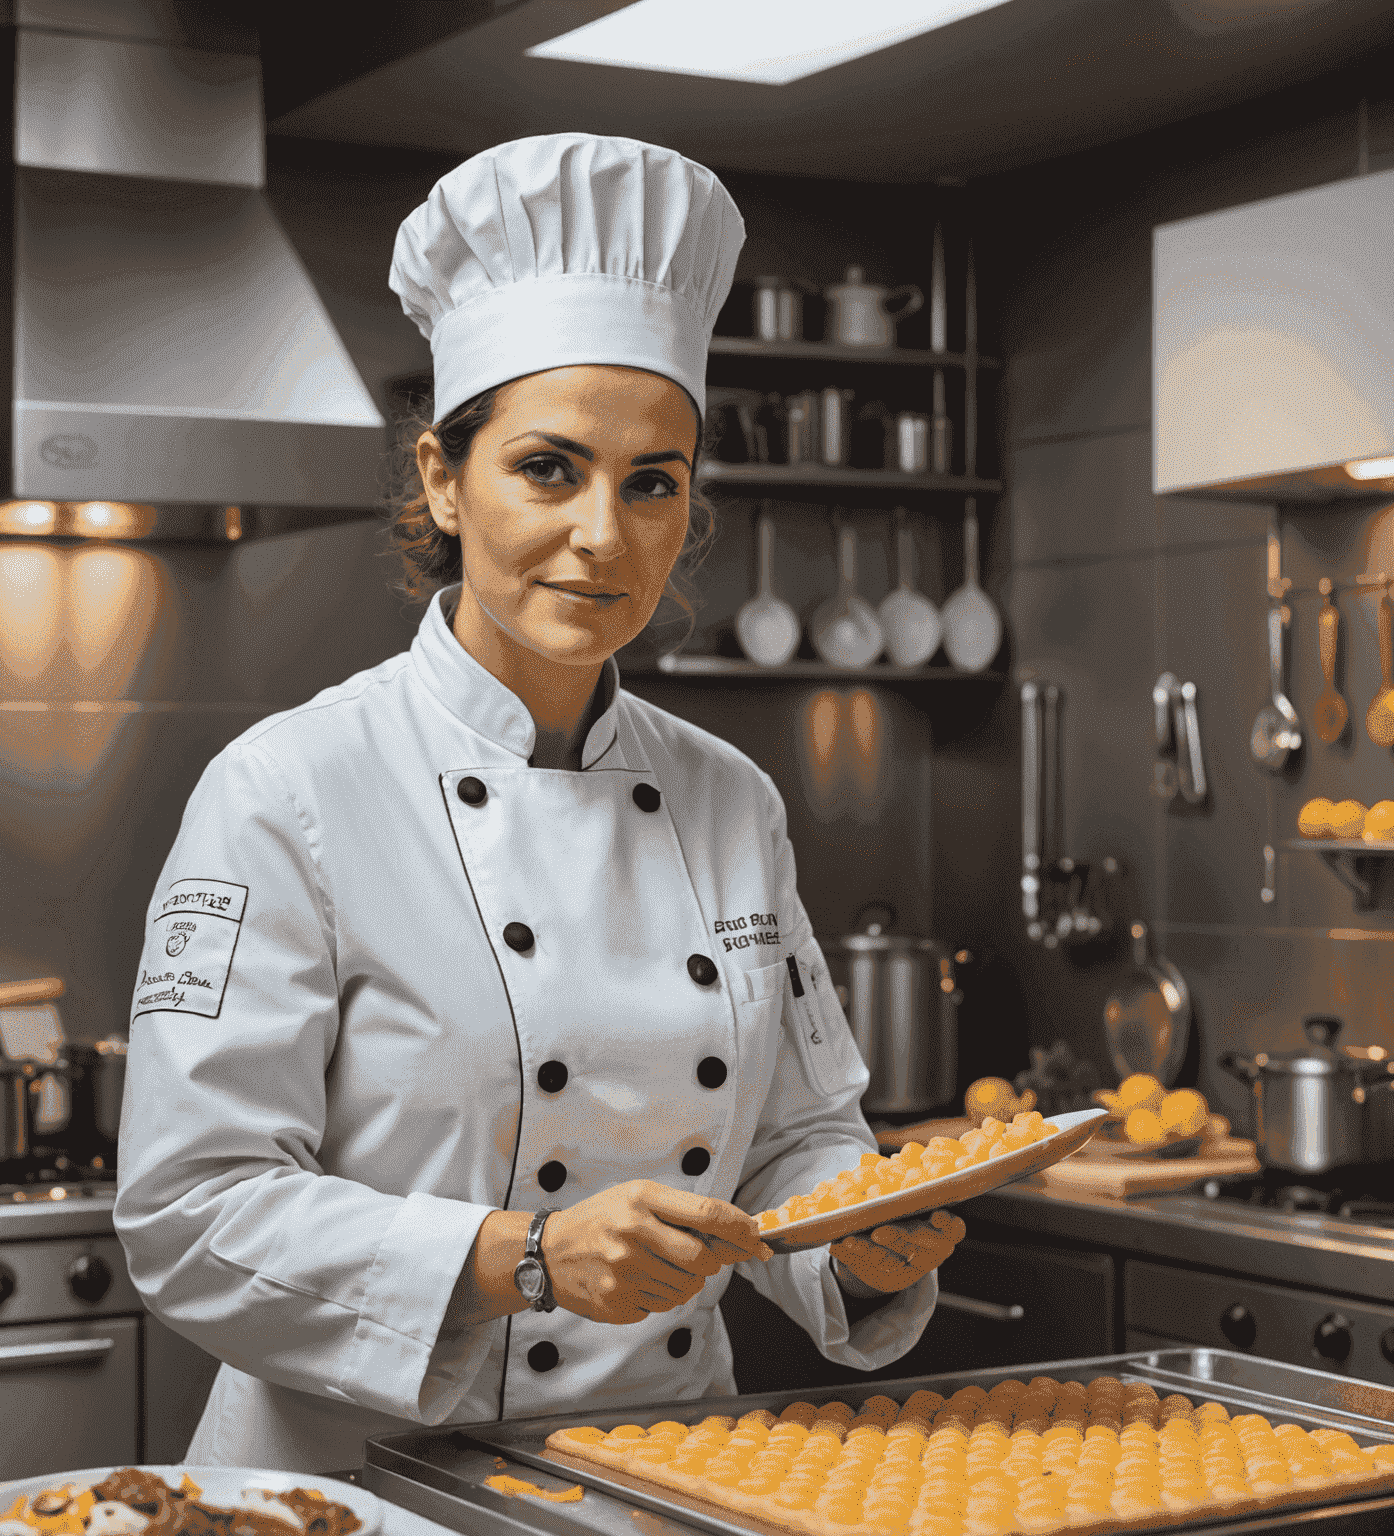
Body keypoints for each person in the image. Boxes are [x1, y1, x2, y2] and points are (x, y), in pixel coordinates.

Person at [114, 133, 963, 1474]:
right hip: (355, 1487)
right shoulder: (292, 791)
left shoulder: (729, 799)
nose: (604, 536)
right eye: (549, 468)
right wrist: (525, 1261)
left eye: (653, 483)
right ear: (444, 481)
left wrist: (856, 1243)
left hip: (664, 1476)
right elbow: (190, 1212)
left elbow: (801, 1141)